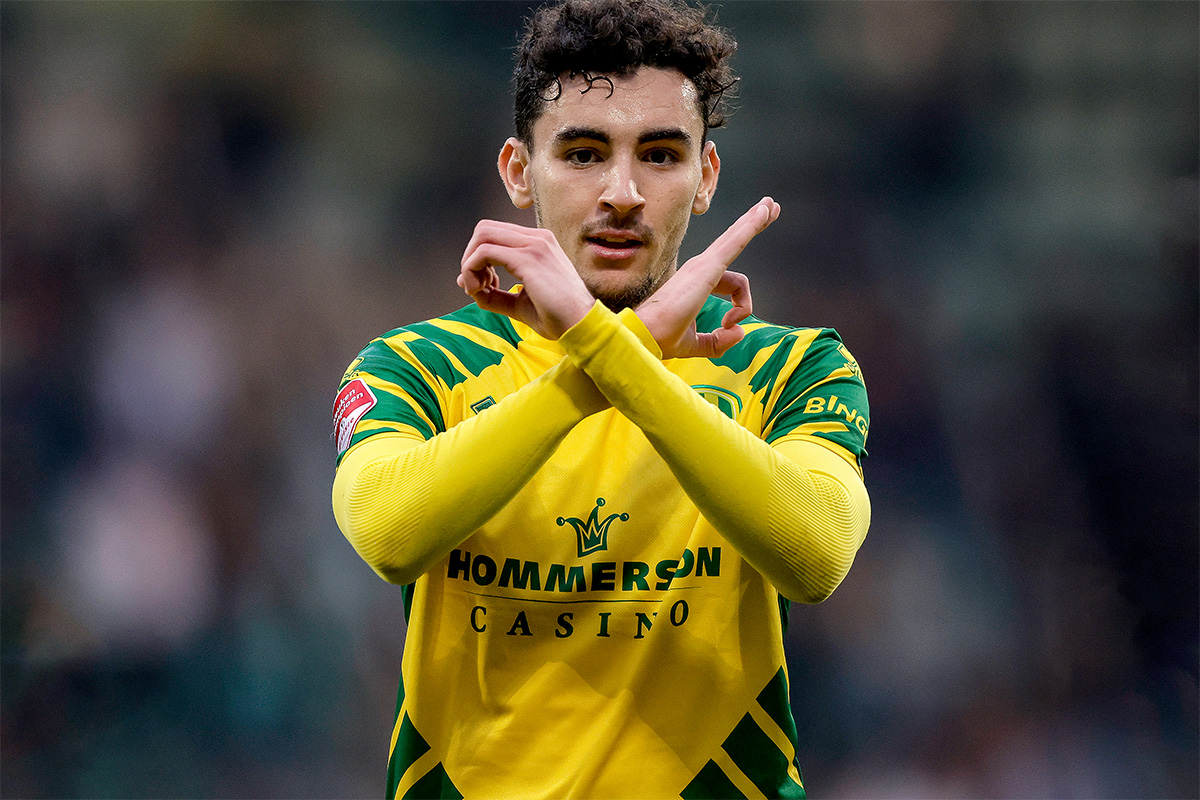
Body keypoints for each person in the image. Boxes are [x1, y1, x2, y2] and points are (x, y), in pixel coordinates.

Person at [332, 0, 871, 796]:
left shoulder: (791, 367)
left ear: (705, 178)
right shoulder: (418, 366)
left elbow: (816, 553)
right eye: (583, 154)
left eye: (659, 155)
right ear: (519, 172)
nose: (622, 193)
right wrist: (617, 353)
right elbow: (385, 532)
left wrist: (602, 347)